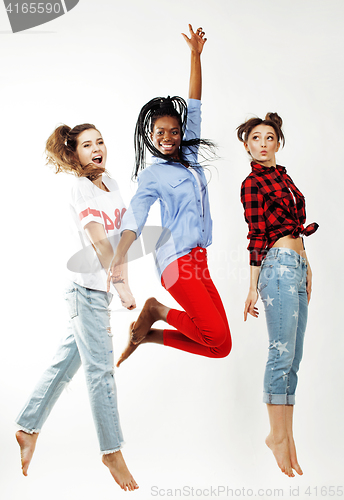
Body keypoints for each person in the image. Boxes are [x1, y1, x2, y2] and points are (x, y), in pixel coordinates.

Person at [15, 124, 139, 491]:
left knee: (65, 364)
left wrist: (121, 281)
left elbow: (122, 241)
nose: (97, 148)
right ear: (75, 154)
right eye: (87, 145)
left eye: (100, 141)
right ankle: (111, 450)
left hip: (96, 292)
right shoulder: (81, 189)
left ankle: (28, 426)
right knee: (101, 372)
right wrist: (121, 286)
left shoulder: (112, 185)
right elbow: (101, 243)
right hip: (86, 292)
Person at [108, 24, 232, 365]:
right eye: (161, 132)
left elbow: (195, 102)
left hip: (198, 259)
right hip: (175, 261)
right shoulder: (153, 176)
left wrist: (195, 55)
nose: (168, 137)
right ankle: (157, 309)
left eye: (174, 131)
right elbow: (136, 215)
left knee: (220, 346)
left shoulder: (189, 158)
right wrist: (120, 254)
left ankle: (151, 334)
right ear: (150, 134)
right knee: (214, 334)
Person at [238, 113, 318, 477]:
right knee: (281, 353)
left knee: (294, 357)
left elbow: (296, 228)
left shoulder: (284, 178)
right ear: (247, 146)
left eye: (270, 137)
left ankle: (285, 434)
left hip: (296, 265)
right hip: (278, 267)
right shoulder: (252, 183)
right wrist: (252, 286)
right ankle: (277, 435)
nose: (264, 143)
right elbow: (257, 235)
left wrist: (308, 265)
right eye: (257, 138)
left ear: (278, 143)